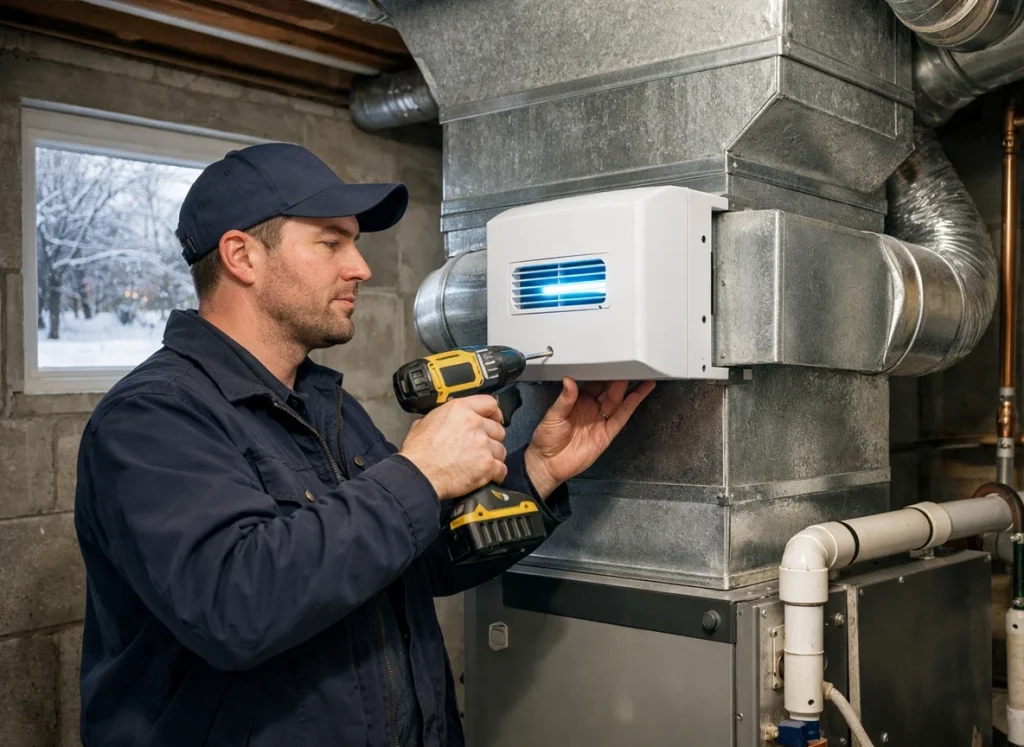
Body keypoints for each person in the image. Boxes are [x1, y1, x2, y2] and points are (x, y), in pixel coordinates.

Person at [73, 142, 655, 747]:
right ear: (242, 256)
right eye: (331, 243)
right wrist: (419, 473)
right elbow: (235, 606)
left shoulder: (322, 402)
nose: (360, 268)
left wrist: (536, 471)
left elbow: (410, 561)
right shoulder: (151, 418)